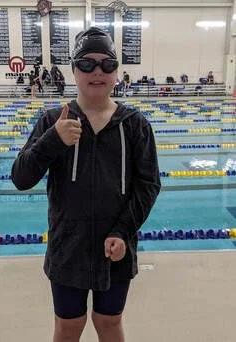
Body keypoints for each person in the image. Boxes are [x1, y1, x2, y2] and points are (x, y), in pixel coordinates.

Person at [11, 27, 160, 342]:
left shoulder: (135, 125)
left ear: (116, 72)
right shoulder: (53, 121)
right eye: (87, 64)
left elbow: (148, 186)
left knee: (109, 323)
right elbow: (21, 178)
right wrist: (53, 141)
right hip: (68, 248)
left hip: (117, 248)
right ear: (74, 69)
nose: (97, 72)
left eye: (107, 64)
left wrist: (123, 230)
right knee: (68, 328)